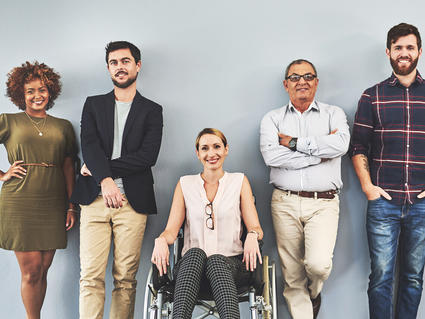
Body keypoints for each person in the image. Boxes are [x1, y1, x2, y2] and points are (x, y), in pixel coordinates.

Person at [70, 41, 163, 319]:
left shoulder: (152, 110)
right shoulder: (93, 105)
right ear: (108, 68)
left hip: (132, 204)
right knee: (90, 277)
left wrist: (101, 170)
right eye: (114, 62)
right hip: (94, 201)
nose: (120, 67)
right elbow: (89, 145)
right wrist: (105, 181)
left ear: (137, 65)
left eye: (125, 61)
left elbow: (147, 157)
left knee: (125, 280)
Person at [260, 59, 350, 319]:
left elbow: (341, 145)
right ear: (286, 84)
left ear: (317, 82)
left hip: (324, 203)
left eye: (308, 76)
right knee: (292, 274)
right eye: (296, 77)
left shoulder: (334, 114)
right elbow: (272, 158)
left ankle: (314, 292)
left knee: (319, 266)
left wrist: (294, 143)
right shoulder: (272, 119)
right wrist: (319, 153)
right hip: (284, 201)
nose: (302, 81)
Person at [350, 23, 425, 319]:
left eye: (409, 47)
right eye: (398, 48)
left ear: (419, 51)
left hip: (421, 205)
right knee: (381, 276)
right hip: (383, 203)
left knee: (414, 276)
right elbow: (358, 147)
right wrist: (368, 187)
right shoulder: (372, 96)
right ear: (388, 52)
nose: (404, 53)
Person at [151, 128, 263, 319]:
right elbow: (171, 230)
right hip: (191, 270)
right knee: (195, 254)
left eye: (217, 146)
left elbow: (256, 227)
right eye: (205, 148)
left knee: (217, 261)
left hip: (231, 266)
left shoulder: (239, 181)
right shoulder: (185, 184)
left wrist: (253, 235)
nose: (211, 153)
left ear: (226, 149)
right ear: (198, 154)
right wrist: (161, 240)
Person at [0, 61, 77, 319]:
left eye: (42, 89)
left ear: (50, 91)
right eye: (30, 90)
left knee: (43, 268)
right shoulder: (9, 121)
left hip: (54, 199)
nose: (37, 95)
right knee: (31, 270)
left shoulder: (63, 126)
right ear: (21, 94)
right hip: (20, 199)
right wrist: (3, 175)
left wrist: (70, 204)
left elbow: (68, 166)